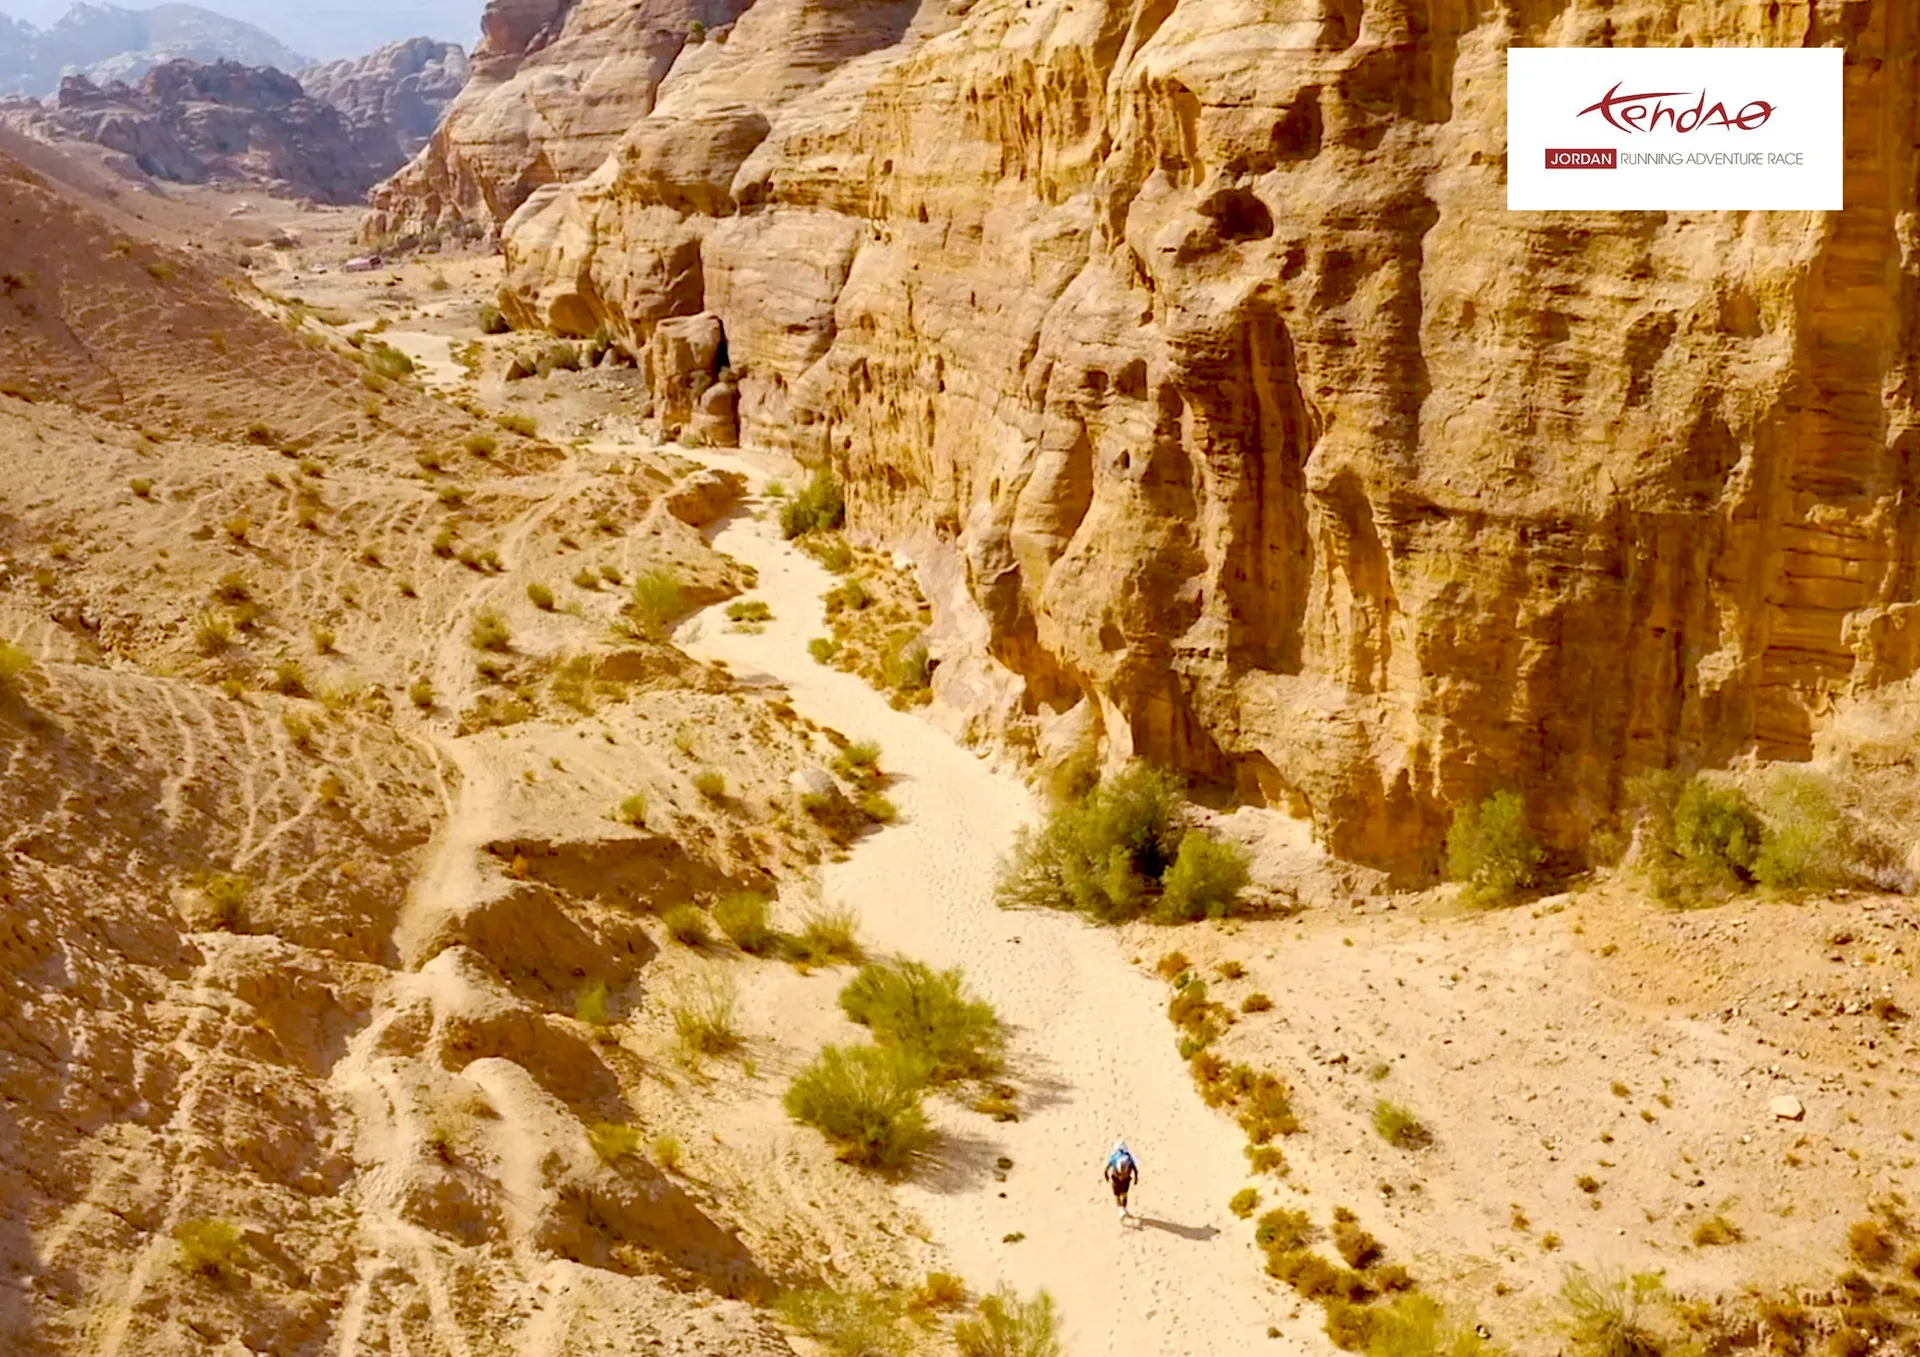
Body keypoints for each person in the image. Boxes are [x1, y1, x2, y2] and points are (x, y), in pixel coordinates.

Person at [1104, 1140, 1138, 1221]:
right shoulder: (1129, 1157)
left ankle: (1120, 1209)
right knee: (1125, 1194)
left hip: (1116, 1179)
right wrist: (1136, 1179)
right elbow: (1135, 1169)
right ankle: (1124, 1208)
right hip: (1126, 1180)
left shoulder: (1114, 1157)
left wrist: (1107, 1177)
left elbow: (1106, 1169)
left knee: (1117, 1195)